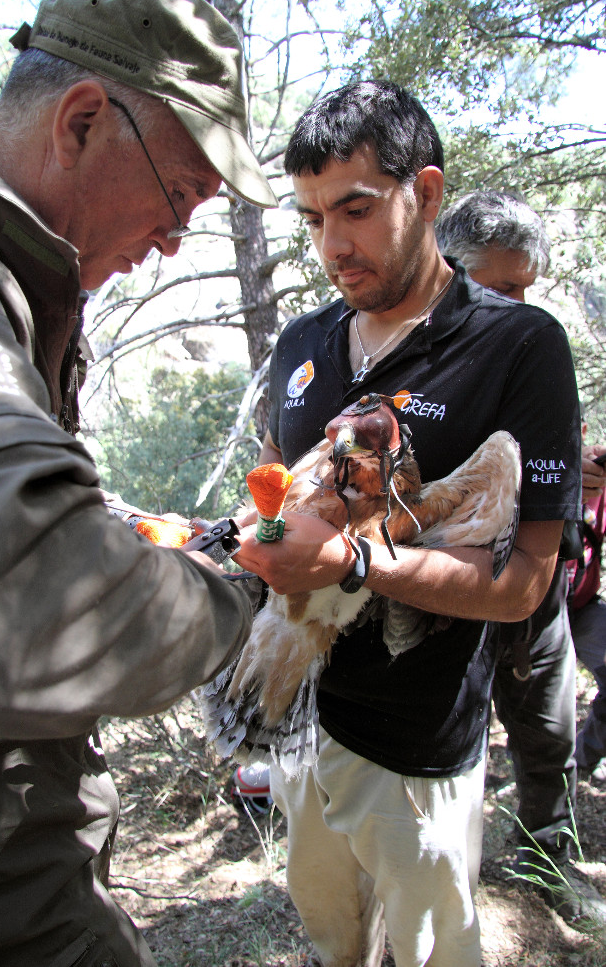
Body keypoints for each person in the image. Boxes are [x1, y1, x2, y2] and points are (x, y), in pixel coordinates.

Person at [0, 0, 278, 964]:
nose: (177, 239)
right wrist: (243, 585)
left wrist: (121, 528)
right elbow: (38, 592)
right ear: (84, 120)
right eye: (182, 195)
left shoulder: (10, 290)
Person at [232, 81, 582, 967]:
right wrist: (250, 537)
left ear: (424, 193)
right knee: (331, 941)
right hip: (303, 722)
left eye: (355, 209)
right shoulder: (303, 345)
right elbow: (273, 503)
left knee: (430, 953)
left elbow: (523, 586)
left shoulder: (518, 346)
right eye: (313, 220)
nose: (332, 247)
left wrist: (353, 561)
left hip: (419, 749)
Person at [436, 191, 606, 931]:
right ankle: (444, 888)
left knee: (547, 736)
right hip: (446, 593)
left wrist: (579, 471)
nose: (518, 305)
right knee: (447, 752)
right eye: (501, 288)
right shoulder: (412, 353)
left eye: (525, 288)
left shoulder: (536, 348)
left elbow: (548, 453)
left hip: (538, 592)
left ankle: (547, 862)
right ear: (450, 269)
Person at [571, 420, 606, 782]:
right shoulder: (531, 471)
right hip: (530, 615)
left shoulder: (599, 484)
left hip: (581, 609)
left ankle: (581, 762)